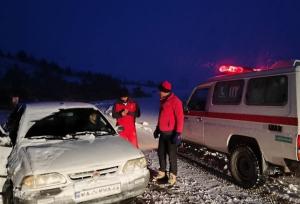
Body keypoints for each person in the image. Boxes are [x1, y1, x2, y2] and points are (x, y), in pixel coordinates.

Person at [153, 80, 184, 186]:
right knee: (161, 153)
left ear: (165, 91)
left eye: (160, 91)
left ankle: (173, 175)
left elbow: (180, 118)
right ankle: (162, 173)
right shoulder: (163, 101)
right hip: (163, 134)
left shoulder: (176, 101)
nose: (159, 92)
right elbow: (161, 117)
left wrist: (178, 133)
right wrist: (157, 128)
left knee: (171, 156)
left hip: (171, 134)